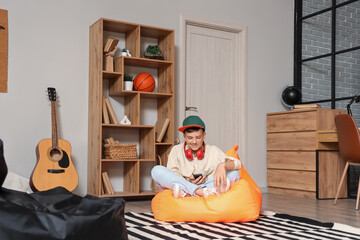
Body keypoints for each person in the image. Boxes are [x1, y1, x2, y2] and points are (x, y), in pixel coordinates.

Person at [151, 115, 241, 198]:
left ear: (204, 136)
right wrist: (188, 182)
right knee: (156, 170)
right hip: (187, 185)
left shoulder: (213, 150)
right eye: (190, 138)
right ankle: (199, 192)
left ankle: (189, 193)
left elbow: (237, 163)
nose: (194, 142)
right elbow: (172, 175)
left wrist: (222, 165)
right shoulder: (176, 150)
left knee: (234, 174)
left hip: (207, 185)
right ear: (184, 137)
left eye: (198, 137)